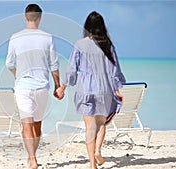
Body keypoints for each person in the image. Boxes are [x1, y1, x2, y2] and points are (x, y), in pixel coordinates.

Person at [56, 11, 126, 169]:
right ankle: (98, 151)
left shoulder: (80, 44)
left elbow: (72, 69)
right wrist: (117, 90)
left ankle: (92, 164)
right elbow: (114, 70)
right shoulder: (107, 44)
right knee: (101, 124)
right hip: (104, 90)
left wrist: (63, 86)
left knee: (89, 128)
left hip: (86, 89)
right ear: (102, 27)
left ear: (87, 27)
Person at [6, 4, 61, 169]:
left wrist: (17, 74)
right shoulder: (47, 37)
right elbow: (54, 65)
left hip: (23, 87)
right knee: (37, 124)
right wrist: (57, 85)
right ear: (39, 18)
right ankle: (33, 157)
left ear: (25, 17)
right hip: (42, 87)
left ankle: (32, 158)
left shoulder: (15, 37)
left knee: (27, 124)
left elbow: (9, 63)